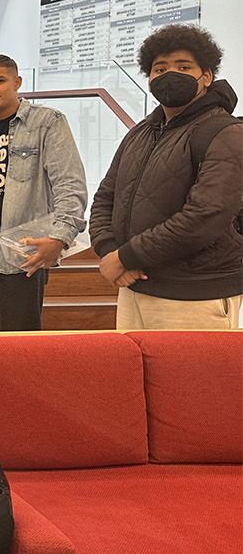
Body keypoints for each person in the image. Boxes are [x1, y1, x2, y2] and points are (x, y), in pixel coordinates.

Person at [90, 24, 243, 328]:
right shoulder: (140, 133)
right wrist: (110, 251)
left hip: (195, 293)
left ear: (207, 76)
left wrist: (127, 256)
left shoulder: (226, 133)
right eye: (159, 68)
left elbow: (205, 215)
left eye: (183, 66)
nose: (169, 74)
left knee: (192, 378)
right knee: (134, 377)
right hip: (133, 286)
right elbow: (105, 197)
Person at [0, 54, 87, 331]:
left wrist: (60, 237)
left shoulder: (47, 122)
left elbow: (70, 185)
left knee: (19, 346)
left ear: (17, 82)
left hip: (20, 254)